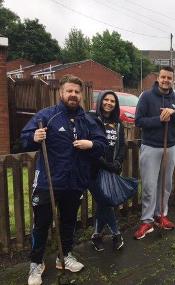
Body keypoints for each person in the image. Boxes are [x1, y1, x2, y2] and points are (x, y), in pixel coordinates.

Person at [21, 75, 107, 285]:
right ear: (61, 93)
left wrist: (91, 144)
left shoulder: (88, 120)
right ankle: (36, 262)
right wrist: (34, 138)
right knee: (41, 224)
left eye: (77, 92)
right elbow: (24, 139)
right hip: (48, 182)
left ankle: (65, 256)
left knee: (69, 222)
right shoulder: (46, 116)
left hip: (74, 182)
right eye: (69, 91)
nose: (73, 95)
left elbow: (102, 144)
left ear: (81, 95)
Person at [134, 66, 175, 240]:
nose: (166, 80)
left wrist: (173, 114)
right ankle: (147, 220)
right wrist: (159, 119)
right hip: (151, 147)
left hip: (170, 147)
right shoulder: (147, 97)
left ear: (173, 80)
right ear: (158, 78)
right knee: (149, 185)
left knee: (165, 184)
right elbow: (139, 121)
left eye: (169, 78)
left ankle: (161, 215)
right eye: (163, 77)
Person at [88, 90, 126, 251]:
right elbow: (90, 144)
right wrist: (104, 163)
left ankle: (96, 235)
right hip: (95, 169)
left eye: (112, 101)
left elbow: (122, 145)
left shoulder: (118, 124)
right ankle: (116, 234)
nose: (109, 103)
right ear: (100, 101)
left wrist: (117, 163)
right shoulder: (92, 120)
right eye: (106, 99)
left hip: (111, 169)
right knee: (105, 202)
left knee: (104, 204)